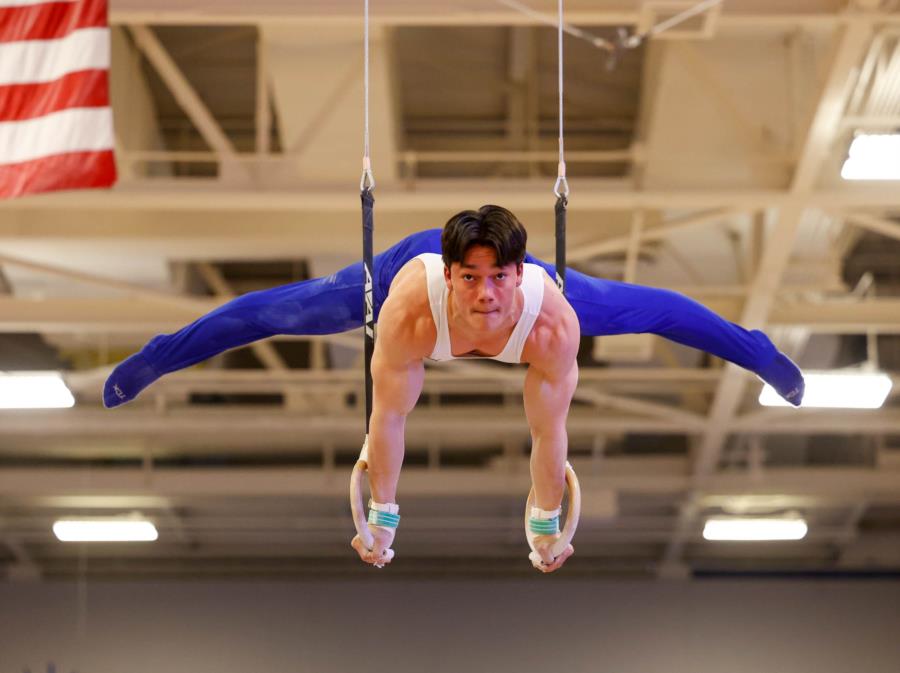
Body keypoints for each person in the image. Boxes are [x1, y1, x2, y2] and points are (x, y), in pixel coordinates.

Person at [103, 205, 804, 573]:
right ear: (450, 275)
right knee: (273, 313)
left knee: (664, 312)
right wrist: (381, 515)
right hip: (398, 266)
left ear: (519, 270)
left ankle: (758, 351)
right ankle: (163, 355)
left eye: (499, 277)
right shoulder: (409, 309)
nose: (486, 295)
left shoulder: (548, 318)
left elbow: (548, 435)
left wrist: (544, 528)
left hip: (545, 304)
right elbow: (389, 419)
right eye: (469, 278)